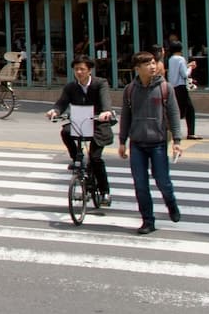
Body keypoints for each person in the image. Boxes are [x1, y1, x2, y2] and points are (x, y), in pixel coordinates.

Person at [118, 51, 183, 235]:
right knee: (140, 184)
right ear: (137, 69)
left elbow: (174, 115)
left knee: (163, 181)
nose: (152, 66)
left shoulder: (165, 88)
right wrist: (122, 141)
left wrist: (177, 141)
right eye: (147, 64)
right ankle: (148, 220)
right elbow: (126, 117)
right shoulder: (130, 90)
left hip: (158, 143)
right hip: (137, 143)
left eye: (154, 63)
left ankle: (171, 203)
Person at [46, 56, 115, 206]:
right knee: (65, 131)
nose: (79, 72)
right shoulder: (71, 87)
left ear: (89, 70)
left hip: (98, 124)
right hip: (80, 123)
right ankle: (76, 158)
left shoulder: (100, 83)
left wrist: (106, 112)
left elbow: (106, 102)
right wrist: (55, 111)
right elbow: (61, 102)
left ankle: (105, 192)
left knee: (95, 158)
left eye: (82, 69)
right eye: (76, 69)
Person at [166, 41, 200, 139]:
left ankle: (172, 130)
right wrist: (190, 67)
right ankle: (189, 133)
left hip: (173, 87)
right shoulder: (180, 59)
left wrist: (187, 65)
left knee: (181, 110)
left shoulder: (171, 59)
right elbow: (185, 74)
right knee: (187, 110)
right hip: (181, 87)